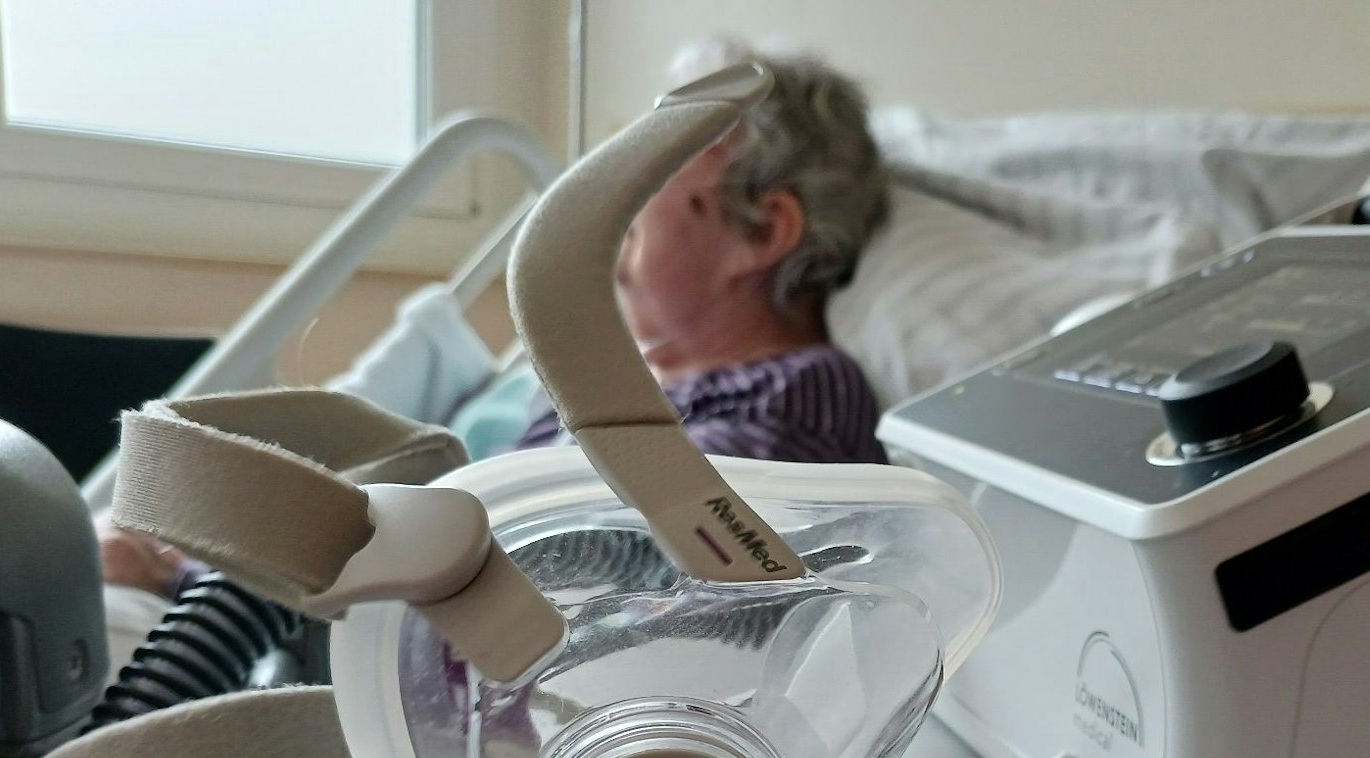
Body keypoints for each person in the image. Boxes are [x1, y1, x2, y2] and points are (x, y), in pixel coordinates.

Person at [100, 40, 892, 601]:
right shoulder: (586, 383)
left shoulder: (802, 392)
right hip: (353, 611)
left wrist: (204, 568)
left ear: (762, 232)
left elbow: (610, 562)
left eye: (654, 160)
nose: (607, 182)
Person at [516, 39, 890, 463]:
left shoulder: (801, 393)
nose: (625, 167)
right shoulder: (599, 379)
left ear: (761, 232)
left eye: (669, 147)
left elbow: (643, 524)